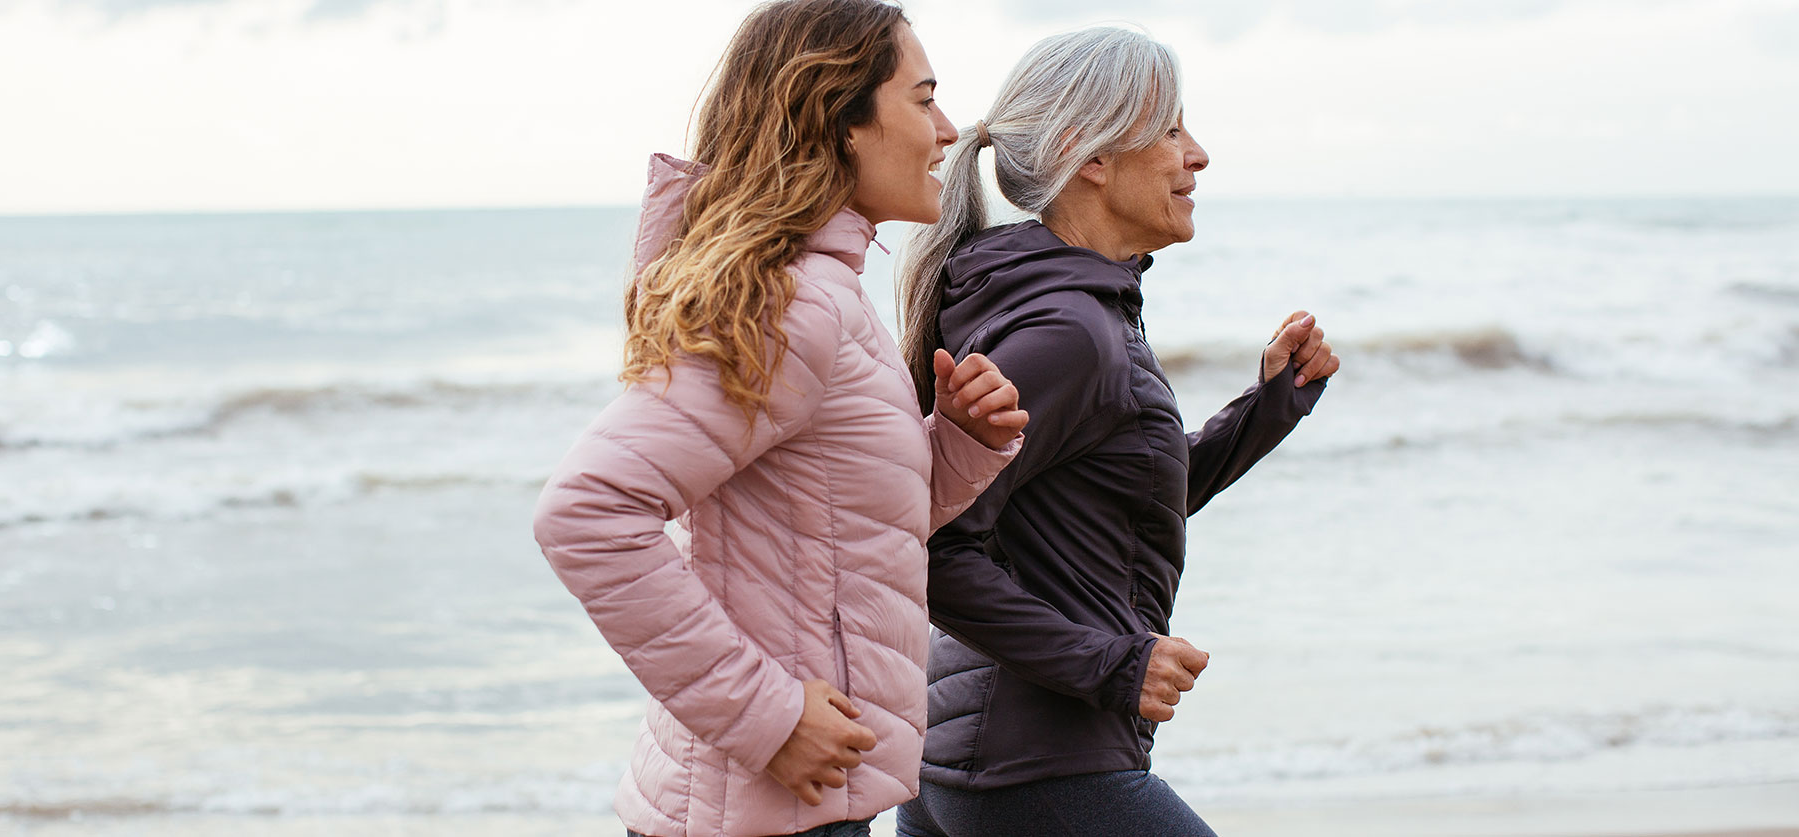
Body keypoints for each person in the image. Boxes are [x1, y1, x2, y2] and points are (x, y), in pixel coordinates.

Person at [531, 2, 1030, 835]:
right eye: (923, 98)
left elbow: (843, 532)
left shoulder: (827, 290)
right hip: (763, 806)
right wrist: (767, 716)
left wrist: (960, 446)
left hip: (795, 801)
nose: (948, 130)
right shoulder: (795, 304)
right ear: (842, 123)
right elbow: (587, 513)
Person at [893, 26, 1341, 836]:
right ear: (1088, 156)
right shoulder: (1069, 330)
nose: (1197, 155)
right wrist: (1115, 665)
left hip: (982, 760)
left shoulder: (1069, 308)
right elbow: (924, 545)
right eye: (1171, 128)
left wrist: (1268, 406)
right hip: (1034, 764)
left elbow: (1112, 506)